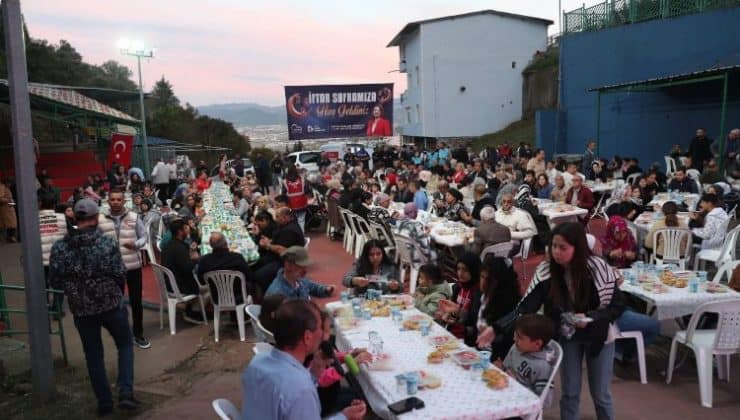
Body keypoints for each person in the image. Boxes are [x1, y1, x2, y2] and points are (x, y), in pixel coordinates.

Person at [478, 222, 624, 420]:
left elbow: (617, 306)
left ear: (577, 247)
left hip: (599, 334)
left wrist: (592, 317)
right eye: (553, 246)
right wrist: (496, 328)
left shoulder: (598, 269)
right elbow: (525, 307)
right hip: (568, 335)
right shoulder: (548, 271)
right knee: (570, 392)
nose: (556, 252)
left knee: (601, 394)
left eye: (563, 247)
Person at [48, 199, 139, 416]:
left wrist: (75, 291)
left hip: (82, 310)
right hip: (111, 305)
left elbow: (55, 281)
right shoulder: (106, 243)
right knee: (125, 345)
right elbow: (119, 273)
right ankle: (125, 392)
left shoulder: (60, 247)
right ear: (97, 218)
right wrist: (114, 293)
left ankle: (105, 403)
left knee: (93, 355)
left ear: (75, 218)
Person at [241, 299, 366, 420]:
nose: (322, 333)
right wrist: (344, 416)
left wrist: (314, 374)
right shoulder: (301, 389)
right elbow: (293, 391)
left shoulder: (257, 361)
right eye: (319, 328)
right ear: (307, 337)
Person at [104, 189, 150, 349]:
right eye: (113, 199)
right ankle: (122, 336)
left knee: (136, 302)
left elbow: (144, 236)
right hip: (112, 268)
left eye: (118, 199)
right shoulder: (101, 219)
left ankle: (138, 334)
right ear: (108, 201)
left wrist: (136, 244)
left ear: (124, 201)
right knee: (116, 303)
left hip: (133, 266)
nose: (116, 202)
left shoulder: (134, 217)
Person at [496, 314, 556, 398]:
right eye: (515, 334)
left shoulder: (543, 367)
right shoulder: (516, 347)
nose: (514, 339)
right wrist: (501, 368)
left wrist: (516, 384)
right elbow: (506, 370)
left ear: (537, 343)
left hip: (520, 404)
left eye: (519, 337)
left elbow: (545, 400)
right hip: (504, 392)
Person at [475, 256, 521, 360]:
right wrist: (456, 312)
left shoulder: (508, 306)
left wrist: (491, 332)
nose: (483, 283)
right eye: (482, 276)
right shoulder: (480, 295)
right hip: (476, 349)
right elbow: (470, 324)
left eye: (488, 280)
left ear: (501, 283)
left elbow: (508, 341)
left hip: (494, 357)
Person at [255, 207, 306, 292]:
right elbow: (278, 241)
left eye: (277, 217)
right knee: (257, 263)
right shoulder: (286, 225)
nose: (275, 219)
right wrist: (269, 241)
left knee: (259, 275)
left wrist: (267, 245)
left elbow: (281, 249)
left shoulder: (290, 230)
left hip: (286, 262)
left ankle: (270, 295)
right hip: (280, 258)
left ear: (285, 217)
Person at [161, 219, 202, 322]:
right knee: (208, 287)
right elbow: (188, 268)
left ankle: (190, 308)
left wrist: (191, 251)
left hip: (170, 283)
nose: (188, 230)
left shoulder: (169, 245)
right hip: (179, 286)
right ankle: (192, 312)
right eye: (186, 228)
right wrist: (195, 260)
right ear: (180, 231)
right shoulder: (179, 248)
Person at [436, 252, 481, 346]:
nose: (460, 273)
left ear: (474, 270)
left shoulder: (478, 292)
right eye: (458, 269)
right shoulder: (458, 287)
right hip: (452, 331)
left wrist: (457, 313)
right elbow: (454, 313)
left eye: (465, 270)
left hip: (468, 339)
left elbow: (474, 321)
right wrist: (446, 315)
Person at [198, 232, 254, 304]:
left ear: (210, 245)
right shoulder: (237, 257)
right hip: (238, 296)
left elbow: (202, 281)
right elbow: (249, 276)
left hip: (217, 298)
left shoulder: (204, 260)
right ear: (225, 243)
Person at [265, 246, 335, 299]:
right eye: (301, 266)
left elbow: (312, 286)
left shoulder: (298, 280)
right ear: (288, 265)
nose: (305, 270)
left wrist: (326, 289)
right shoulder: (277, 294)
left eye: (306, 266)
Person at [283, 166, 310, 232]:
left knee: (293, 220)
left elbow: (283, 193)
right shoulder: (302, 179)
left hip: (291, 204)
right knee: (301, 220)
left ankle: (295, 235)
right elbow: (307, 190)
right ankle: (302, 235)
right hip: (302, 203)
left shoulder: (285, 181)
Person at [0, 177, 18, 242]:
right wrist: (8, 200)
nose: (10, 184)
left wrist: (12, 202)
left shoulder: (7, 188)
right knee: (9, 225)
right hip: (5, 209)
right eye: (9, 183)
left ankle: (10, 237)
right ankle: (10, 237)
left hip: (10, 208)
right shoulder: (2, 187)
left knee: (12, 224)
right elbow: (1, 198)